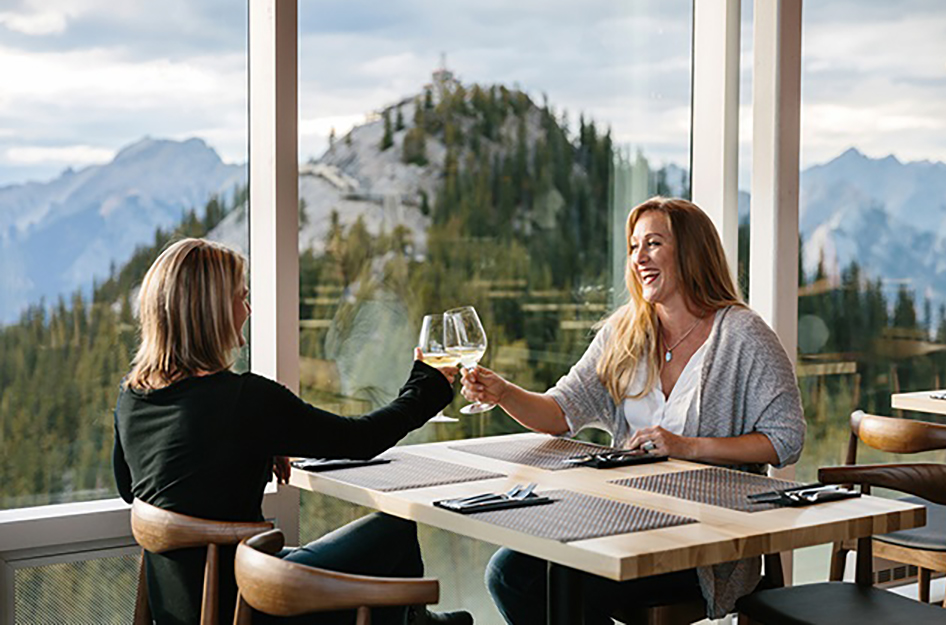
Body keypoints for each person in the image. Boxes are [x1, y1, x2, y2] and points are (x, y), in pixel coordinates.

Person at [461, 197, 806, 624]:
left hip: (703, 538)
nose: (639, 258)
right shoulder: (625, 331)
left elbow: (786, 439)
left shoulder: (742, 334)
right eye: (633, 246)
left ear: (691, 253)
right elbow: (560, 412)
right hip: (622, 516)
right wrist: (504, 393)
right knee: (509, 573)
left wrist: (688, 447)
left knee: (564, 583)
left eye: (654, 244)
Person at [112, 238, 472, 625]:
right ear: (211, 311)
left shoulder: (133, 397)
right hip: (250, 603)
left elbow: (133, 487)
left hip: (190, 610)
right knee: (395, 531)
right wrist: (426, 387)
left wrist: (253, 446)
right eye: (241, 297)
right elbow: (361, 439)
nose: (248, 310)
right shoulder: (245, 400)